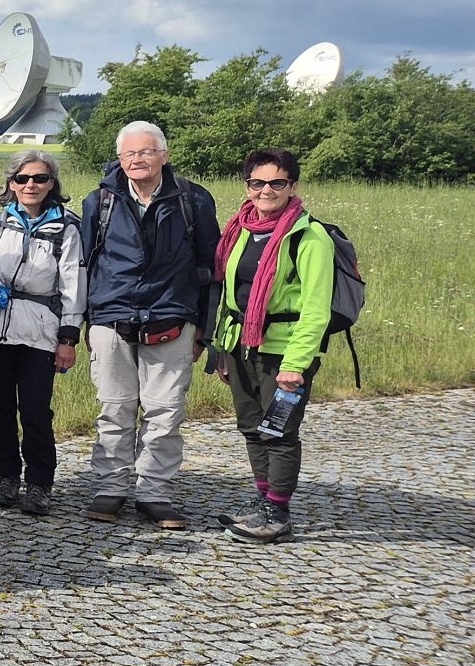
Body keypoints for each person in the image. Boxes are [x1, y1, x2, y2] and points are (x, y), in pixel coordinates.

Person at [78, 121, 219, 529]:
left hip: (172, 317)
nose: (137, 160)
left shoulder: (192, 199)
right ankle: (111, 487)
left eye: (146, 152)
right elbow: (85, 263)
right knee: (114, 408)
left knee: (165, 412)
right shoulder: (100, 201)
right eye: (129, 154)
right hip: (111, 317)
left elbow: (209, 267)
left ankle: (154, 492)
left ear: (164, 156)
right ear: (119, 160)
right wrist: (87, 322)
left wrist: (202, 330)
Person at [209, 149, 334, 544]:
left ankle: (278, 514)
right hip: (241, 346)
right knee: (251, 427)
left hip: (284, 351)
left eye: (277, 182)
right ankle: (263, 503)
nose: (266, 190)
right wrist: (221, 349)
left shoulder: (309, 236)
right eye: (257, 182)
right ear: (246, 186)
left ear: (292, 186)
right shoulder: (241, 229)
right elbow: (230, 293)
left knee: (278, 431)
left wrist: (296, 364)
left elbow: (316, 309)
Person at [0, 152, 83, 517]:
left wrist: (68, 339)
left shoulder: (67, 229)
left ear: (51, 185)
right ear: (11, 183)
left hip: (41, 332)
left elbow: (74, 286)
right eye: (23, 178)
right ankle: (6, 476)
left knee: (36, 410)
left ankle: (40, 483)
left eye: (40, 179)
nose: (31, 185)